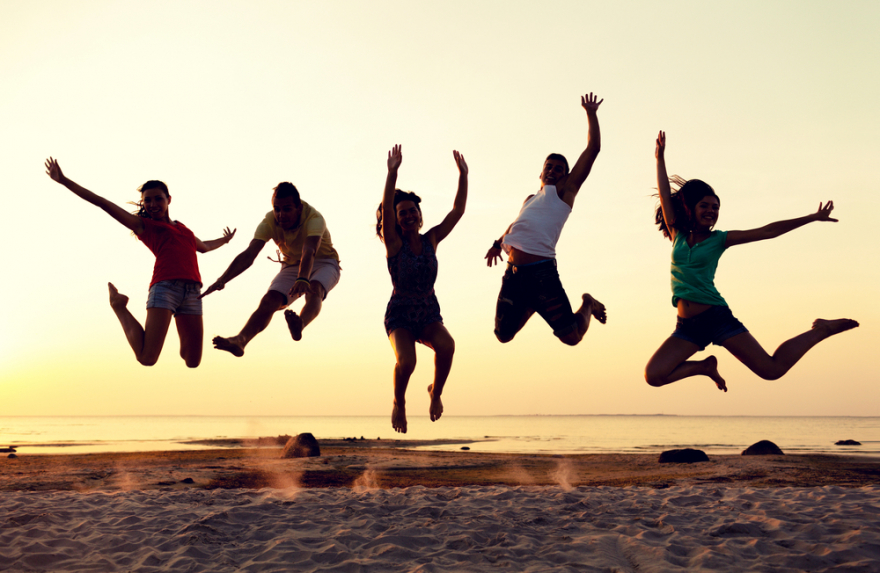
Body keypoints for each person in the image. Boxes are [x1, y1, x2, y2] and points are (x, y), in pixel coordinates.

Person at [644, 131, 859, 391]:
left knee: (772, 370)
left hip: (716, 317)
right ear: (691, 207)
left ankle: (821, 330)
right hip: (687, 327)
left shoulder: (720, 239)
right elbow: (666, 196)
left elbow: (768, 231)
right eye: (705, 206)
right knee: (654, 376)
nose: (711, 211)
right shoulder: (677, 234)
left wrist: (811, 217)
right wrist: (659, 158)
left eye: (715, 207)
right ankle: (703, 367)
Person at [44, 158, 235, 367]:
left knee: (192, 361)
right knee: (147, 358)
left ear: (169, 199)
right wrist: (64, 180)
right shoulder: (144, 225)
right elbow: (103, 203)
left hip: (193, 292)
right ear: (143, 203)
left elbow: (204, 247)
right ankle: (119, 307)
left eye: (158, 199)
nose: (153, 205)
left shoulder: (183, 229)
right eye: (148, 200)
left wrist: (224, 241)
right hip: (165, 288)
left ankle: (177, 331)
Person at [485, 92, 607, 346]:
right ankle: (531, 304)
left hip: (542, 275)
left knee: (572, 337)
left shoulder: (564, 193)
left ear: (566, 177)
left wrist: (591, 114)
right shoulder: (530, 199)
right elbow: (516, 225)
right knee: (503, 335)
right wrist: (498, 244)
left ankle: (588, 303)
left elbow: (593, 149)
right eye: (548, 167)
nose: (552, 170)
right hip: (514, 274)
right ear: (540, 173)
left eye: (559, 169)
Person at [377, 145, 468, 434]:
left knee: (447, 346)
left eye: (411, 211)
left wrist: (463, 175)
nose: (407, 216)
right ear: (395, 219)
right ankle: (399, 402)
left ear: (419, 214)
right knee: (407, 362)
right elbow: (389, 213)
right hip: (401, 314)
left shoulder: (432, 239)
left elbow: (457, 211)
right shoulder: (393, 243)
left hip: (428, 311)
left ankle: (436, 392)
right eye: (400, 213)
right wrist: (392, 172)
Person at [202, 181, 340, 356]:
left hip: (325, 262)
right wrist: (222, 280)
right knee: (269, 300)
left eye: (287, 209)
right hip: (291, 265)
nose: (281, 215)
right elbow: (249, 254)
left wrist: (303, 278)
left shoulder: (314, 218)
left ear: (299, 207)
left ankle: (300, 323)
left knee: (314, 289)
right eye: (277, 209)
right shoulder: (269, 221)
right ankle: (241, 340)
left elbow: (309, 250)